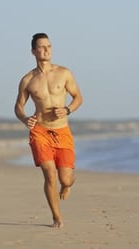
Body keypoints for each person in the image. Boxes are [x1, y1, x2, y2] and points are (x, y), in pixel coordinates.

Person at [14, 33, 83, 228]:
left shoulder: (64, 73)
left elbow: (78, 97)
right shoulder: (27, 80)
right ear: (33, 51)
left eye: (49, 46)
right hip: (40, 131)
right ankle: (56, 217)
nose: (47, 50)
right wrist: (25, 118)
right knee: (49, 173)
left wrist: (68, 109)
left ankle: (67, 184)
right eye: (42, 47)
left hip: (62, 131)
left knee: (65, 178)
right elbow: (18, 106)